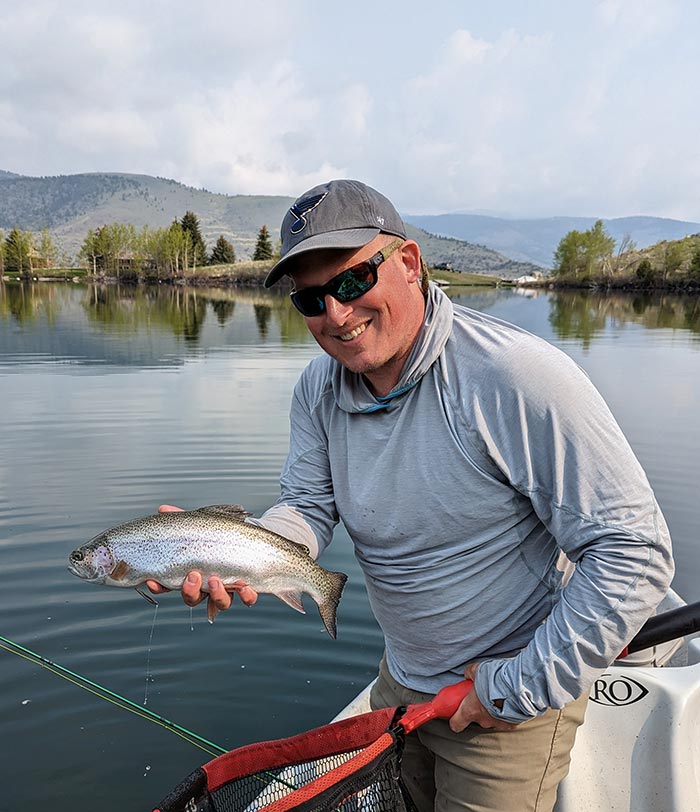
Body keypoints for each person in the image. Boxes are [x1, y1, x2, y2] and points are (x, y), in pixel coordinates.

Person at [149, 179, 674, 812]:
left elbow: (635, 551)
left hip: (506, 703)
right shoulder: (318, 390)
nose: (336, 316)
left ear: (408, 264)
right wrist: (233, 553)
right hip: (401, 684)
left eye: (349, 283)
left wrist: (514, 688)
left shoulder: (514, 377)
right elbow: (308, 508)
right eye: (310, 300)